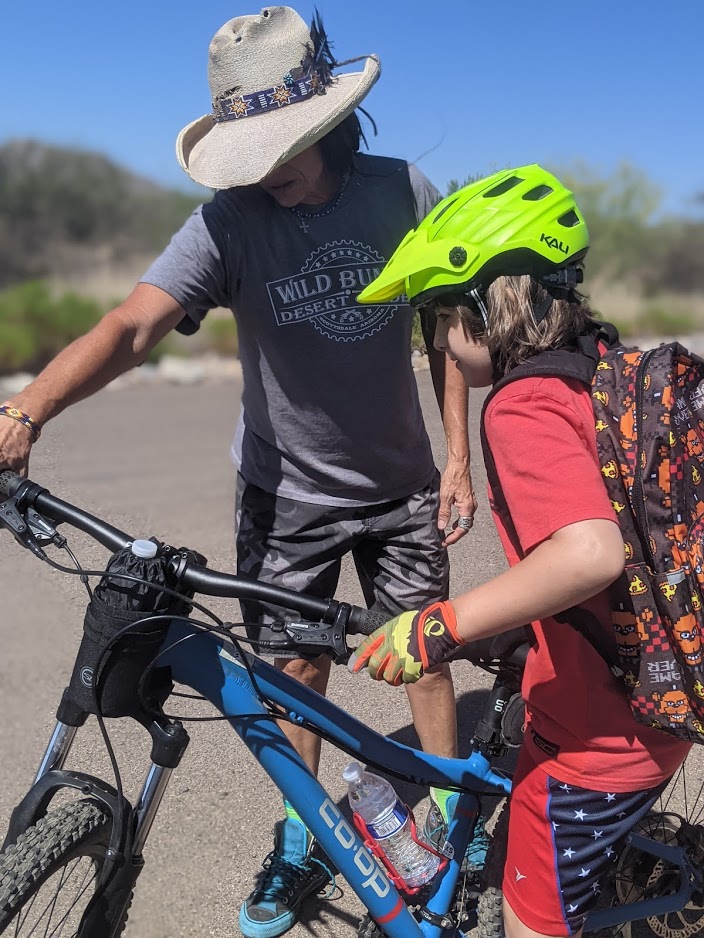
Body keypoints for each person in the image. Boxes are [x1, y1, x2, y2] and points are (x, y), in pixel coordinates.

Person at [0, 8, 482, 937]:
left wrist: (457, 455)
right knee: (294, 669)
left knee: (428, 650)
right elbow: (132, 326)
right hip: (284, 494)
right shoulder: (227, 220)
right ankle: (302, 839)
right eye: (251, 157)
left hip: (401, 484)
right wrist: (27, 409)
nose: (268, 174)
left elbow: (442, 328)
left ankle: (449, 817)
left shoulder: (402, 191)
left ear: (327, 125)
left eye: (284, 153)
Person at [351, 165, 691, 938]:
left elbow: (589, 553)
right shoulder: (598, 366)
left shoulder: (522, 402)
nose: (437, 340)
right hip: (659, 689)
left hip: (598, 741)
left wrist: (441, 624)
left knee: (529, 917)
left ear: (487, 304)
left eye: (439, 317)